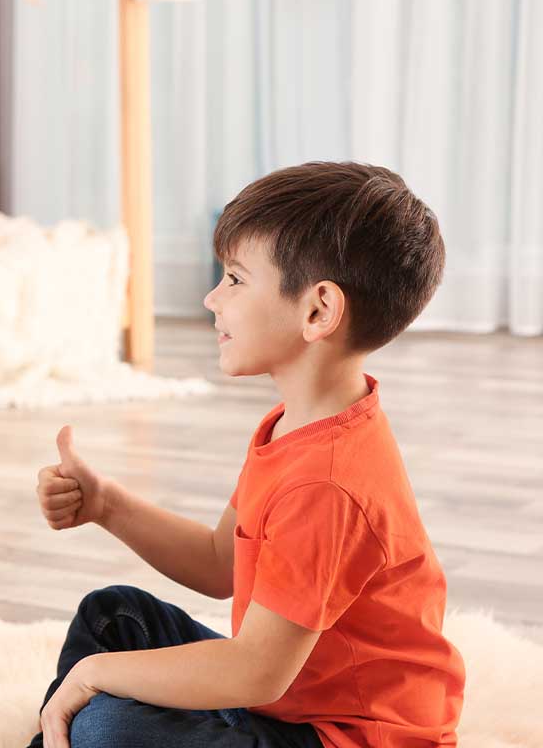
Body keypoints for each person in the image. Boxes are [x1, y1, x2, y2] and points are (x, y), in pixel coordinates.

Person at [31, 162, 466, 748]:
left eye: (235, 279)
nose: (213, 298)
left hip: (343, 735)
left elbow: (256, 671)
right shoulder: (294, 423)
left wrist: (93, 675)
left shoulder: (327, 483)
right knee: (112, 616)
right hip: (284, 700)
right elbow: (219, 566)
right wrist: (106, 505)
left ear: (318, 312)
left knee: (110, 722)